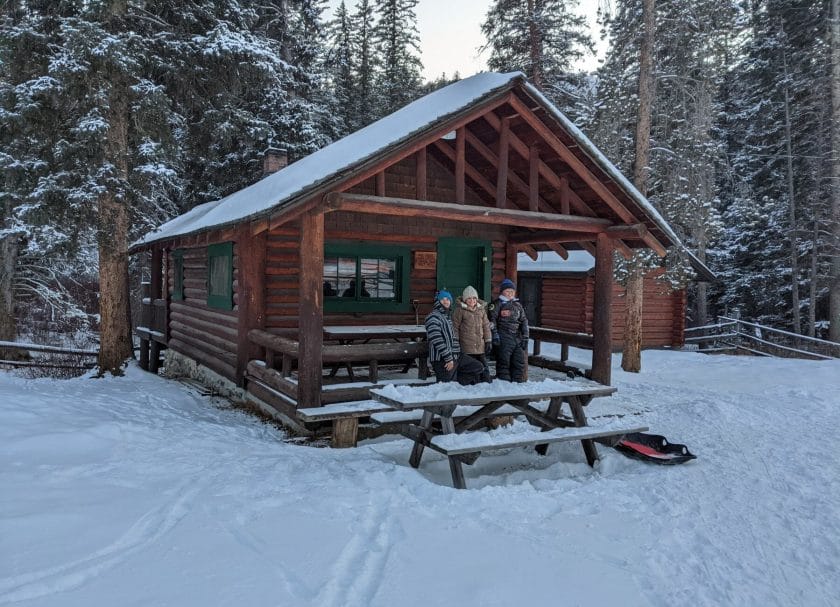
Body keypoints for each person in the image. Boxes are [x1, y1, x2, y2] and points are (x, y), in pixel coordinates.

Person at [424, 290, 487, 385]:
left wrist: (456, 354)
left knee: (477, 366)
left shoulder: (447, 317)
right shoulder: (433, 317)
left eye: (448, 299)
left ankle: (459, 385)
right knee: (447, 387)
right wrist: (448, 358)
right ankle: (454, 386)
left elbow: (453, 338)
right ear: (438, 301)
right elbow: (437, 340)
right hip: (442, 359)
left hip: (456, 356)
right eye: (443, 299)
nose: (446, 301)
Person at [488, 278, 529, 382]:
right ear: (502, 291)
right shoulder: (497, 304)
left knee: (519, 362)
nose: (510, 293)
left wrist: (525, 337)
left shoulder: (518, 305)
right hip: (503, 336)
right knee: (504, 362)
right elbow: (492, 321)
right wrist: (495, 335)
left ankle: (517, 385)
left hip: (517, 337)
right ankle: (504, 386)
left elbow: (524, 321)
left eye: (512, 291)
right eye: (507, 291)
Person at [451, 285, 493, 382]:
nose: (472, 301)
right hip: (466, 346)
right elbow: (455, 327)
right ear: (465, 299)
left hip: (480, 346)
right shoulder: (459, 311)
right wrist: (456, 340)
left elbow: (486, 326)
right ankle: (471, 383)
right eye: (469, 298)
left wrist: (488, 340)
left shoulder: (481, 310)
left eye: (474, 298)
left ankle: (486, 384)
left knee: (484, 368)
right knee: (471, 367)